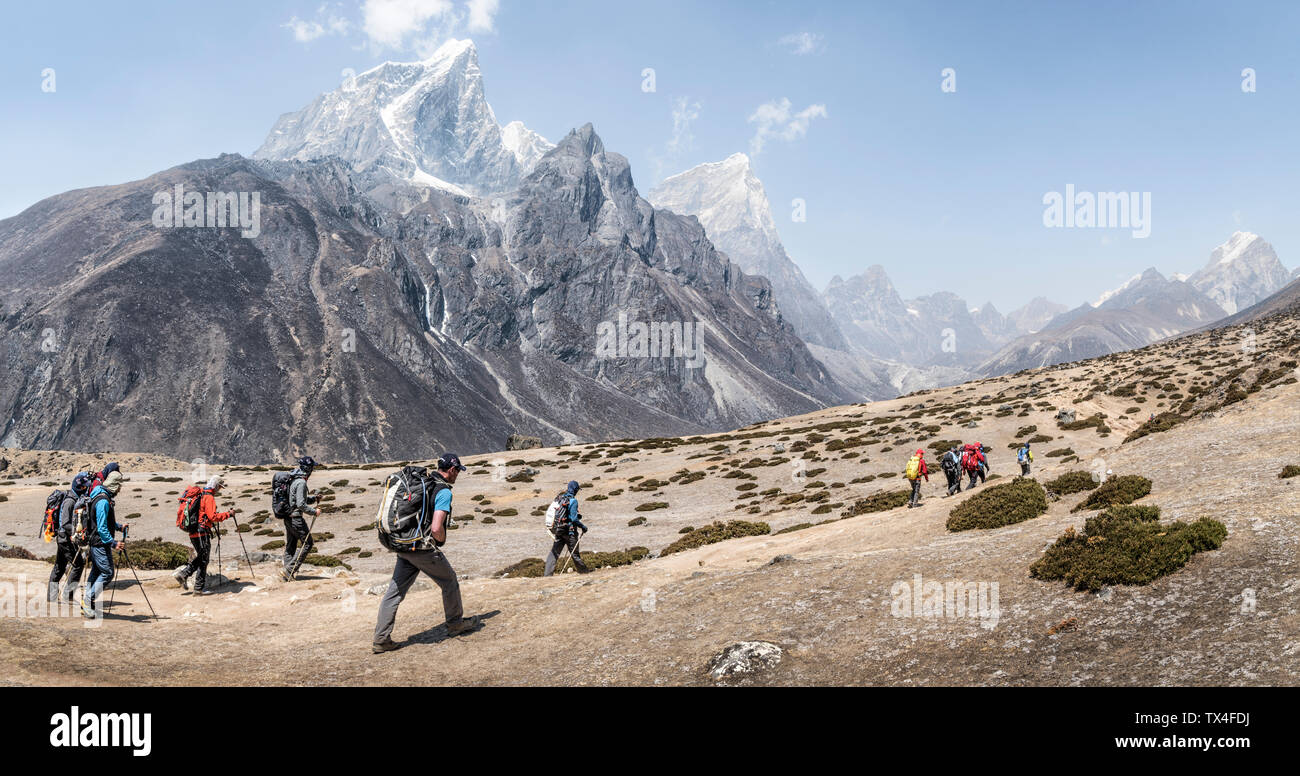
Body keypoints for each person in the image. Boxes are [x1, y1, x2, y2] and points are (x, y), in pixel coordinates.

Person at [372, 454, 480, 653]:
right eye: (458, 471)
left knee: (394, 593)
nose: (458, 474)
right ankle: (455, 624)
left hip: (404, 546)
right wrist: (438, 541)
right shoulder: (443, 492)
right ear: (452, 470)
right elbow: (437, 527)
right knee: (449, 581)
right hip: (422, 549)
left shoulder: (425, 483)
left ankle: (381, 639)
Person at [173, 475, 233, 594]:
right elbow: (213, 517)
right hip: (202, 531)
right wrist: (228, 514)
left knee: (202, 557)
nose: (219, 490)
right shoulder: (208, 497)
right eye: (219, 487)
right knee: (203, 558)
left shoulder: (201, 494)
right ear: (215, 485)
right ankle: (188, 578)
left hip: (194, 531)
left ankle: (195, 586)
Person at [81, 470, 126, 619]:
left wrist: (118, 527)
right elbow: (101, 527)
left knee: (96, 571)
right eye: (119, 486)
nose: (120, 489)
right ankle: (88, 601)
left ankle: (87, 600)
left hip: (95, 542)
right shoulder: (103, 502)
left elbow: (104, 522)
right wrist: (113, 543)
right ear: (114, 485)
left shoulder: (99, 495)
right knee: (107, 573)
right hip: (100, 543)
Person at [47, 472, 91, 603]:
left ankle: (52, 598)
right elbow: (65, 523)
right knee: (78, 565)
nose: (86, 489)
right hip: (64, 539)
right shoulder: (70, 501)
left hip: (63, 538)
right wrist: (77, 533)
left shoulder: (74, 498)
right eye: (84, 487)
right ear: (78, 487)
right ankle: (68, 597)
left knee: (59, 567)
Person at [280, 456, 319, 581]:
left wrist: (313, 499)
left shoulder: (293, 479)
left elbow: (297, 499)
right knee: (307, 543)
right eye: (312, 468)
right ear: (308, 469)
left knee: (291, 544)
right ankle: (289, 570)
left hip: (288, 517)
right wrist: (314, 512)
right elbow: (301, 504)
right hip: (296, 518)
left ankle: (286, 573)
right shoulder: (301, 482)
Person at [544, 480, 590, 576]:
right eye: (577, 489)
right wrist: (583, 527)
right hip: (570, 532)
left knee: (554, 552)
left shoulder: (560, 498)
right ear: (575, 489)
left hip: (559, 530)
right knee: (575, 554)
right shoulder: (573, 501)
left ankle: (547, 574)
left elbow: (566, 514)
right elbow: (573, 519)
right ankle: (584, 572)